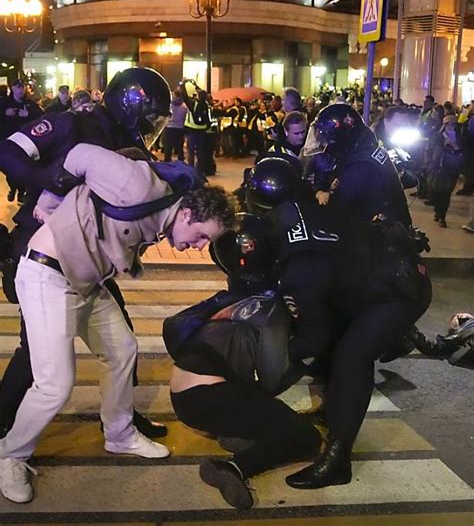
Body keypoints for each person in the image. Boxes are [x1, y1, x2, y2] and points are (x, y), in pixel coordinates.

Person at [0, 142, 237, 504]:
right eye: (202, 235)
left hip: (85, 282)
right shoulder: (140, 187)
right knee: (54, 384)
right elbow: (79, 154)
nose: (200, 246)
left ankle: (119, 434)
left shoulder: (164, 216)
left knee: (122, 349)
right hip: (47, 274)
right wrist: (48, 200)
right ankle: (11, 455)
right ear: (187, 213)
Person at [0, 68, 173, 440]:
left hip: (92, 256)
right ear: (129, 106)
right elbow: (9, 150)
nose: (150, 128)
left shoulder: (131, 144)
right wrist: (50, 185)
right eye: (148, 119)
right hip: (41, 243)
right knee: (39, 350)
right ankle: (4, 419)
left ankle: (121, 415)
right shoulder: (70, 125)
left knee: (121, 337)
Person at [265, 197, 431, 490]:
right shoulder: (286, 217)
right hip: (371, 275)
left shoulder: (299, 273)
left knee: (351, 356)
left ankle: (338, 460)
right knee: (335, 340)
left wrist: (267, 357)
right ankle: (334, 411)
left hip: (400, 289)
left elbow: (313, 341)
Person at [165, 213, 320, 510]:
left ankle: (239, 431)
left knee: (268, 419)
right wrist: (304, 360)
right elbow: (272, 380)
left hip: (187, 393)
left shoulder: (235, 296)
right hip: (209, 398)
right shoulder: (268, 306)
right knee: (305, 437)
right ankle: (233, 469)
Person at [302, 103, 412, 227]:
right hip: (385, 229)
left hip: (385, 239)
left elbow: (335, 209)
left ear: (342, 138)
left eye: (327, 140)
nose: (324, 144)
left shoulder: (360, 166)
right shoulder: (363, 149)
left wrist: (325, 194)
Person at [0, 79, 44, 202]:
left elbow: (42, 117)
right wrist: (4, 113)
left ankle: (21, 192)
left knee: (22, 168)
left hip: (24, 143)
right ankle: (14, 188)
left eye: (22, 87)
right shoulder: (3, 103)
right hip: (7, 142)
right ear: (13, 88)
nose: (20, 90)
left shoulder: (29, 104)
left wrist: (28, 114)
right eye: (18, 87)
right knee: (9, 170)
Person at [426, 115, 465, 228]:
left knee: (446, 193)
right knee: (435, 192)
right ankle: (438, 211)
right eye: (448, 124)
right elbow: (429, 150)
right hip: (437, 168)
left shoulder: (460, 138)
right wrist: (428, 164)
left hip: (451, 170)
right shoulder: (437, 136)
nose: (450, 127)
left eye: (453, 124)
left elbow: (463, 153)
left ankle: (442, 216)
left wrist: (453, 144)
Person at [180, 80, 211, 174]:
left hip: (192, 130)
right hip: (202, 130)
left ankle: (191, 169)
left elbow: (184, 96)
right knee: (201, 151)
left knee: (191, 152)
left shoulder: (193, 104)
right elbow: (203, 94)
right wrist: (196, 86)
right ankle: (200, 170)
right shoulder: (206, 104)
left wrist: (183, 84)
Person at [162, 89, 188, 162]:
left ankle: (167, 161)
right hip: (180, 128)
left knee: (168, 147)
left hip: (170, 127)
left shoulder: (170, 105)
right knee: (180, 147)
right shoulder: (184, 106)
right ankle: (180, 161)